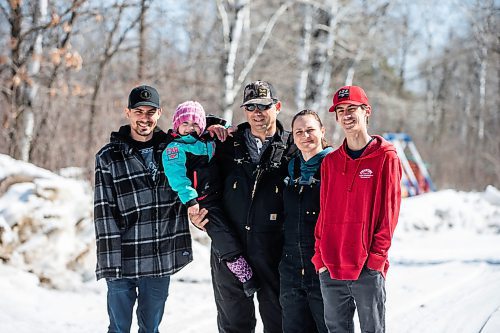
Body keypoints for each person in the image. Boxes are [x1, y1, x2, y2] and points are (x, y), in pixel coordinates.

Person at [192, 80, 296, 333]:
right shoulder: (226, 144)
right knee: (234, 325)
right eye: (251, 107)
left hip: (273, 251)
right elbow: (206, 191)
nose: (257, 113)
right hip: (230, 250)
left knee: (279, 322)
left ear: (277, 107)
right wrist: (197, 211)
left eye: (264, 106)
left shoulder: (294, 146)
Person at [93, 85, 193, 333]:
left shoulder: (174, 150)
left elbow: (203, 138)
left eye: (150, 112)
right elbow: (103, 212)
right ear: (128, 113)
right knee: (118, 328)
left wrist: (218, 127)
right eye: (139, 111)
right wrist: (110, 264)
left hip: (158, 259)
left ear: (159, 114)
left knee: (151, 329)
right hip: (123, 259)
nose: (144, 118)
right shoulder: (108, 156)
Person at [312, 85, 402, 333]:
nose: (346, 115)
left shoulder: (386, 157)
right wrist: (320, 257)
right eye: (340, 110)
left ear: (367, 111)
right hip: (331, 268)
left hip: (366, 268)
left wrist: (376, 259)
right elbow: (324, 212)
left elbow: (389, 214)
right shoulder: (330, 162)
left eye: (352, 108)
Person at [161, 100, 259, 297]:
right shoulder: (175, 149)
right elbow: (178, 178)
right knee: (219, 230)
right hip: (202, 201)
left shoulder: (206, 141)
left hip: (221, 194)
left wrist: (219, 127)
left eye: (195, 124)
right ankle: (239, 267)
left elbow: (225, 131)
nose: (190, 128)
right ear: (176, 125)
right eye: (185, 124)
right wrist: (191, 201)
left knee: (234, 225)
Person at [280, 110, 332, 333]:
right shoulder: (291, 167)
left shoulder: (335, 165)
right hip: (291, 267)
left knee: (329, 327)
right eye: (298, 131)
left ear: (322, 131)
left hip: (324, 267)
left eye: (310, 130)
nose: (305, 136)